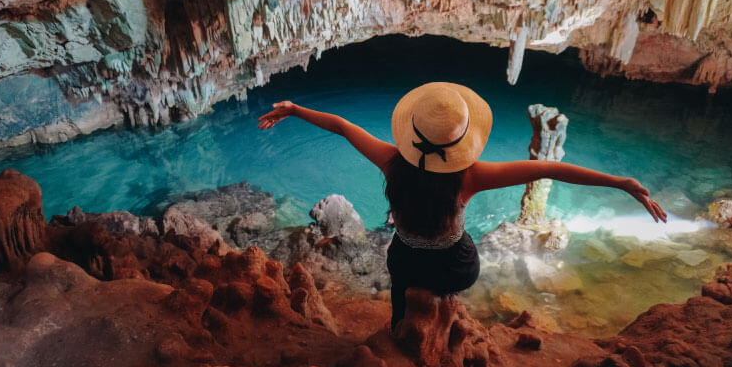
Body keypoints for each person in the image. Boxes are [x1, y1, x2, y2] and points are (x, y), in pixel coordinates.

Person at [258, 82, 667, 330]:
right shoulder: (471, 175)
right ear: (461, 141)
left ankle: (402, 325)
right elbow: (552, 169)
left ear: (414, 133)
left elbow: (342, 126)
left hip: (406, 262)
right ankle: (441, 310)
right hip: (456, 268)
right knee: (454, 265)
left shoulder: (391, 161)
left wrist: (293, 110)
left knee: (401, 271)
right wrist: (621, 183)